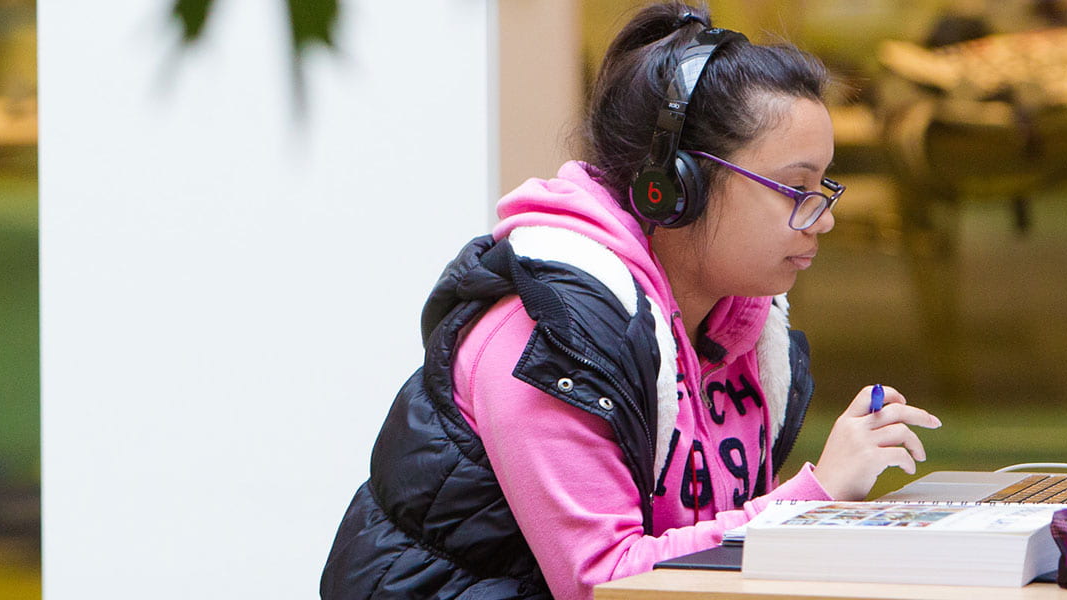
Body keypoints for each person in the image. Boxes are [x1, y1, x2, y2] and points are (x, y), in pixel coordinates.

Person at [320, 4, 942, 599]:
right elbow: (607, 584)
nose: (823, 220)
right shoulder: (542, 342)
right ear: (677, 187)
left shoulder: (740, 330)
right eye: (795, 187)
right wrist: (816, 496)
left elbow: (712, 540)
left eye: (824, 186)